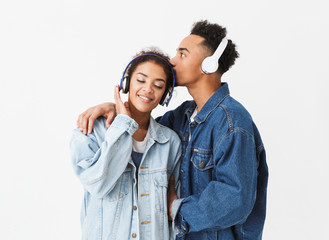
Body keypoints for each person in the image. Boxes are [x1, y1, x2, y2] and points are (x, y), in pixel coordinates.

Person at [77, 20, 269, 240]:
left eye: (182, 54)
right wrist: (117, 108)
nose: (172, 61)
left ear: (209, 65)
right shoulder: (186, 115)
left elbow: (236, 199)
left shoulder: (232, 120)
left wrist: (177, 209)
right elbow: (146, 126)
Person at [70, 49, 182, 240]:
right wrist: (122, 124)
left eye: (158, 85)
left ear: (165, 95)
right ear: (126, 82)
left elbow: (172, 219)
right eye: (141, 80)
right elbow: (98, 184)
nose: (148, 89)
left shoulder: (170, 142)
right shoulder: (92, 130)